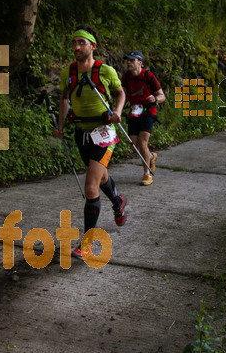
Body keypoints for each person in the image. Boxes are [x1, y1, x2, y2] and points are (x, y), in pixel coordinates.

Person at [53, 27, 127, 260]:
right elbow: (64, 99)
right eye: (74, 43)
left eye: (82, 43)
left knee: (91, 187)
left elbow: (120, 93)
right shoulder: (68, 72)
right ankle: (118, 200)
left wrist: (117, 111)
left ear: (93, 46)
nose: (76, 47)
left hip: (104, 133)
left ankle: (87, 243)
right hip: (81, 133)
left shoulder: (105, 70)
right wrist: (61, 126)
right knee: (101, 177)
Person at [122, 51, 165, 186]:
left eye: (132, 60)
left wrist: (155, 98)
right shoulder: (126, 77)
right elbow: (123, 95)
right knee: (134, 146)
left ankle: (147, 174)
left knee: (142, 143)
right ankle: (151, 157)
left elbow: (162, 96)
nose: (128, 62)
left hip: (148, 111)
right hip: (134, 112)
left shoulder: (149, 76)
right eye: (128, 60)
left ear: (140, 62)